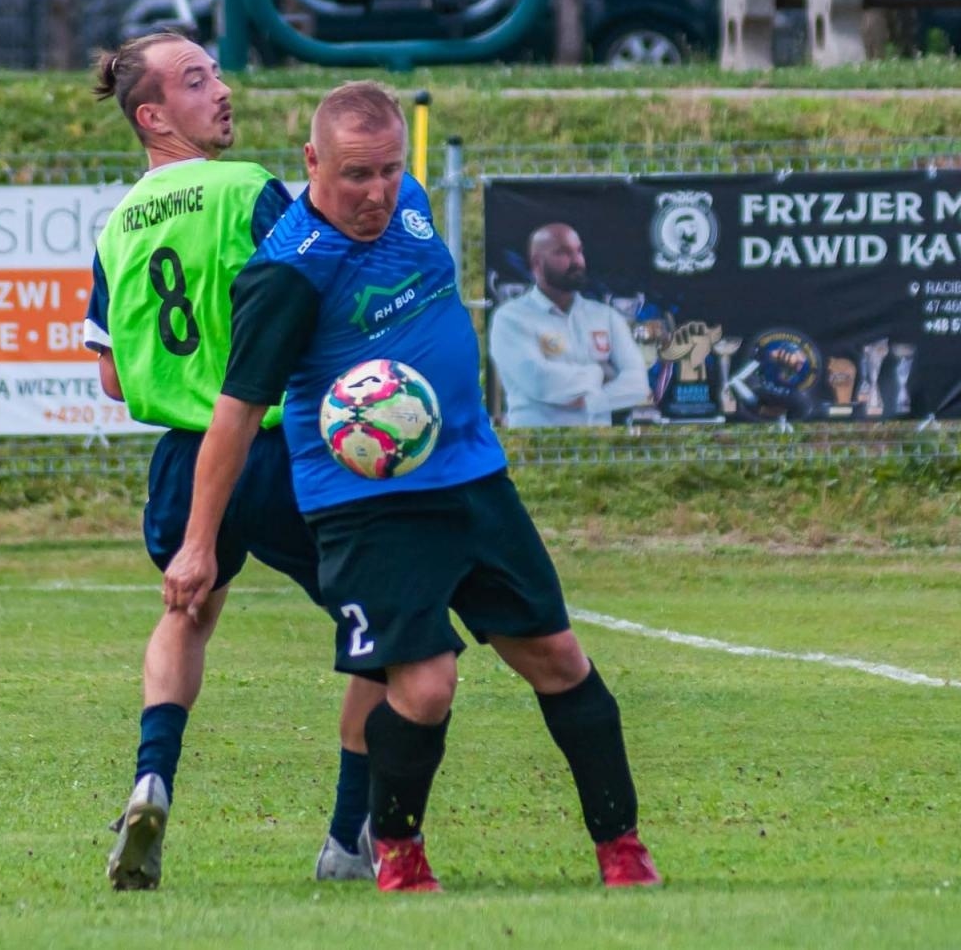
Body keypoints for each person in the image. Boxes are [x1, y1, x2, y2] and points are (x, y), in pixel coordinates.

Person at [162, 81, 661, 893]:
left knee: (561, 660)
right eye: (356, 175)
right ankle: (395, 849)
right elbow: (236, 415)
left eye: (391, 170)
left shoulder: (413, 203)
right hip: (367, 511)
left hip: (471, 480)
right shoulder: (285, 275)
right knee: (426, 687)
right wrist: (196, 546)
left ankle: (623, 851)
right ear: (311, 163)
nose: (378, 193)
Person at [88, 33, 385, 891]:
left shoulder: (116, 227)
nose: (222, 88)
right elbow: (311, 291)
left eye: (215, 71)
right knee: (385, 622)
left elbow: (111, 373)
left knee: (185, 614)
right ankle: (347, 838)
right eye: (196, 80)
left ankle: (153, 779)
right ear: (153, 116)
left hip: (183, 462)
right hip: (275, 445)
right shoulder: (248, 188)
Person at [488, 223, 653, 427]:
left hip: (599, 447)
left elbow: (638, 384)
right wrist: (601, 373)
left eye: (579, 251)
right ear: (537, 263)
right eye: (563, 253)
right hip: (532, 444)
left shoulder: (605, 316)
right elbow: (539, 381)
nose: (577, 261)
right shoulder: (510, 318)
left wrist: (591, 402)